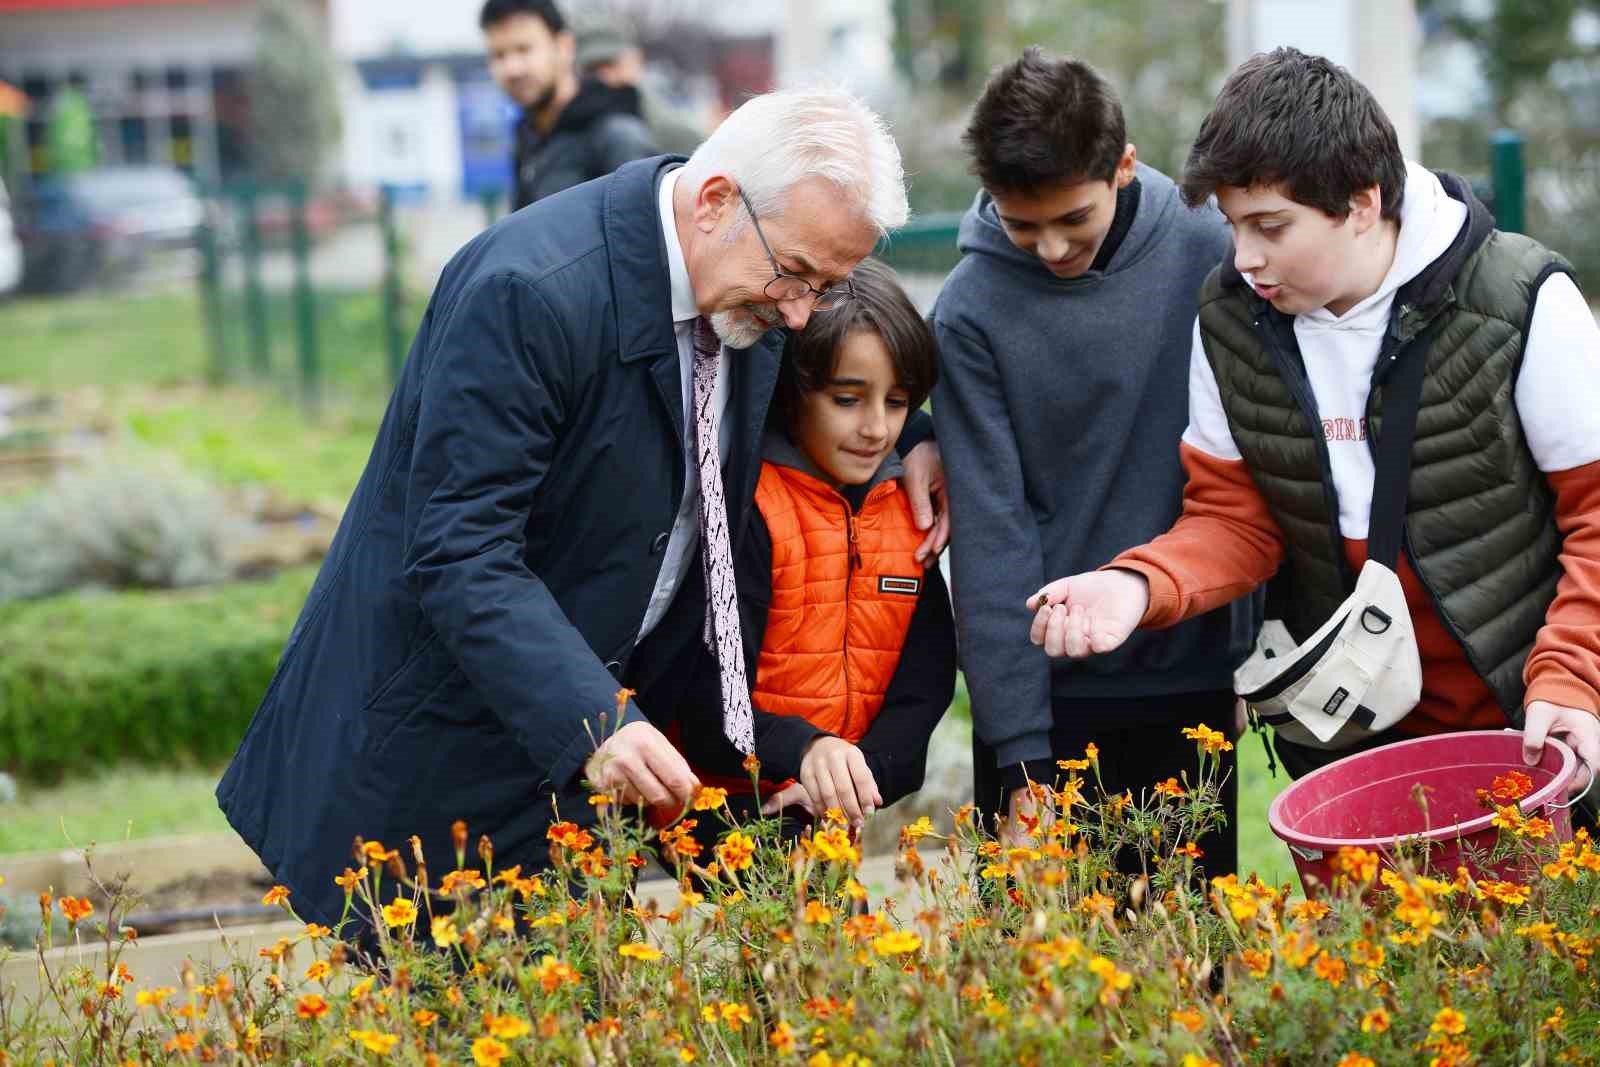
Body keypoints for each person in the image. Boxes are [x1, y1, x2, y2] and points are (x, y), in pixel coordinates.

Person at [215, 89, 949, 933]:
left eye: (824, 286)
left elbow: (839, 381)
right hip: (454, 747)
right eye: (795, 276)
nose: (798, 312)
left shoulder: (752, 289)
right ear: (715, 202)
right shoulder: (529, 292)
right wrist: (597, 719)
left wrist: (920, 440)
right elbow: (462, 552)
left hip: (605, 756)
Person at [1030, 47, 1600, 800]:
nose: (1246, 257)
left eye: (1271, 226)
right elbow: (1236, 521)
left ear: (1362, 204)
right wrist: (1136, 586)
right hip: (1355, 752)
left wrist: (1572, 674)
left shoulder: (1524, 300)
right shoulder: (1230, 316)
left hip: (1533, 727)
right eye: (1235, 226)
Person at [931, 49, 1255, 873]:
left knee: (1191, 972)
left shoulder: (1212, 253)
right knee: (1041, 982)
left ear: (1124, 165)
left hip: (1192, 670)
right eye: (1020, 223)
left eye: (1072, 219)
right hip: (1049, 698)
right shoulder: (971, 308)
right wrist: (1020, 761)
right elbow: (991, 534)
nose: (1047, 247)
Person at [662, 258, 957, 838]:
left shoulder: (908, 510)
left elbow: (925, 687)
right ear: (795, 392)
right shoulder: (747, 507)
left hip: (830, 815)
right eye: (847, 400)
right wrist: (803, 754)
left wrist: (851, 778)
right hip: (717, 815)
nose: (876, 427)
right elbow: (700, 695)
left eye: (896, 403)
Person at [480, 0, 658, 211]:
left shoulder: (615, 135)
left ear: (564, 47)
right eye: (498, 55)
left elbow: (644, 233)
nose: (512, 69)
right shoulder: (528, 137)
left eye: (524, 49)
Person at [574, 20, 705, 157]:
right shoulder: (574, 126)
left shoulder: (675, 132)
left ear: (635, 60)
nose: (604, 76)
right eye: (592, 69)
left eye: (611, 65)